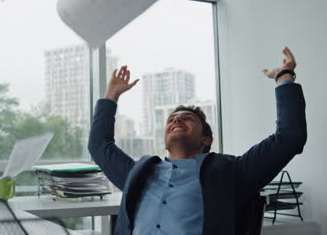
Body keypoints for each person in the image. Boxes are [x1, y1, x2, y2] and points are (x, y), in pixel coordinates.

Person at [88, 47, 307, 235]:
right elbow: (98, 145)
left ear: (206, 139)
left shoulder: (231, 172)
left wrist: (284, 77)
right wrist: (111, 96)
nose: (177, 120)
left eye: (187, 118)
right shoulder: (139, 173)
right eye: (171, 120)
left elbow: (290, 137)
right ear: (164, 140)